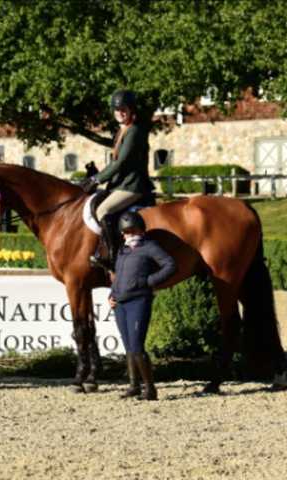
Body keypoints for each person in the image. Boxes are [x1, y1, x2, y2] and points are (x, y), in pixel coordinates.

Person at [82, 89, 156, 270]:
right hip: (121, 184)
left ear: (131, 110)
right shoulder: (122, 130)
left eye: (124, 109)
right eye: (117, 109)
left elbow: (122, 162)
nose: (120, 113)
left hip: (132, 186)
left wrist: (97, 179)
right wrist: (96, 174)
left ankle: (113, 257)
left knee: (102, 210)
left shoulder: (134, 131)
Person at [109, 211, 176, 401]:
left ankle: (150, 388)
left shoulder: (150, 247)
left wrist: (148, 281)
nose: (124, 235)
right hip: (120, 303)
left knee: (137, 346)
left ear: (137, 229)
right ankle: (134, 386)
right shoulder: (122, 250)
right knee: (129, 347)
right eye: (123, 232)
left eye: (128, 231)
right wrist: (111, 295)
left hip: (139, 301)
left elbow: (170, 265)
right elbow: (118, 275)